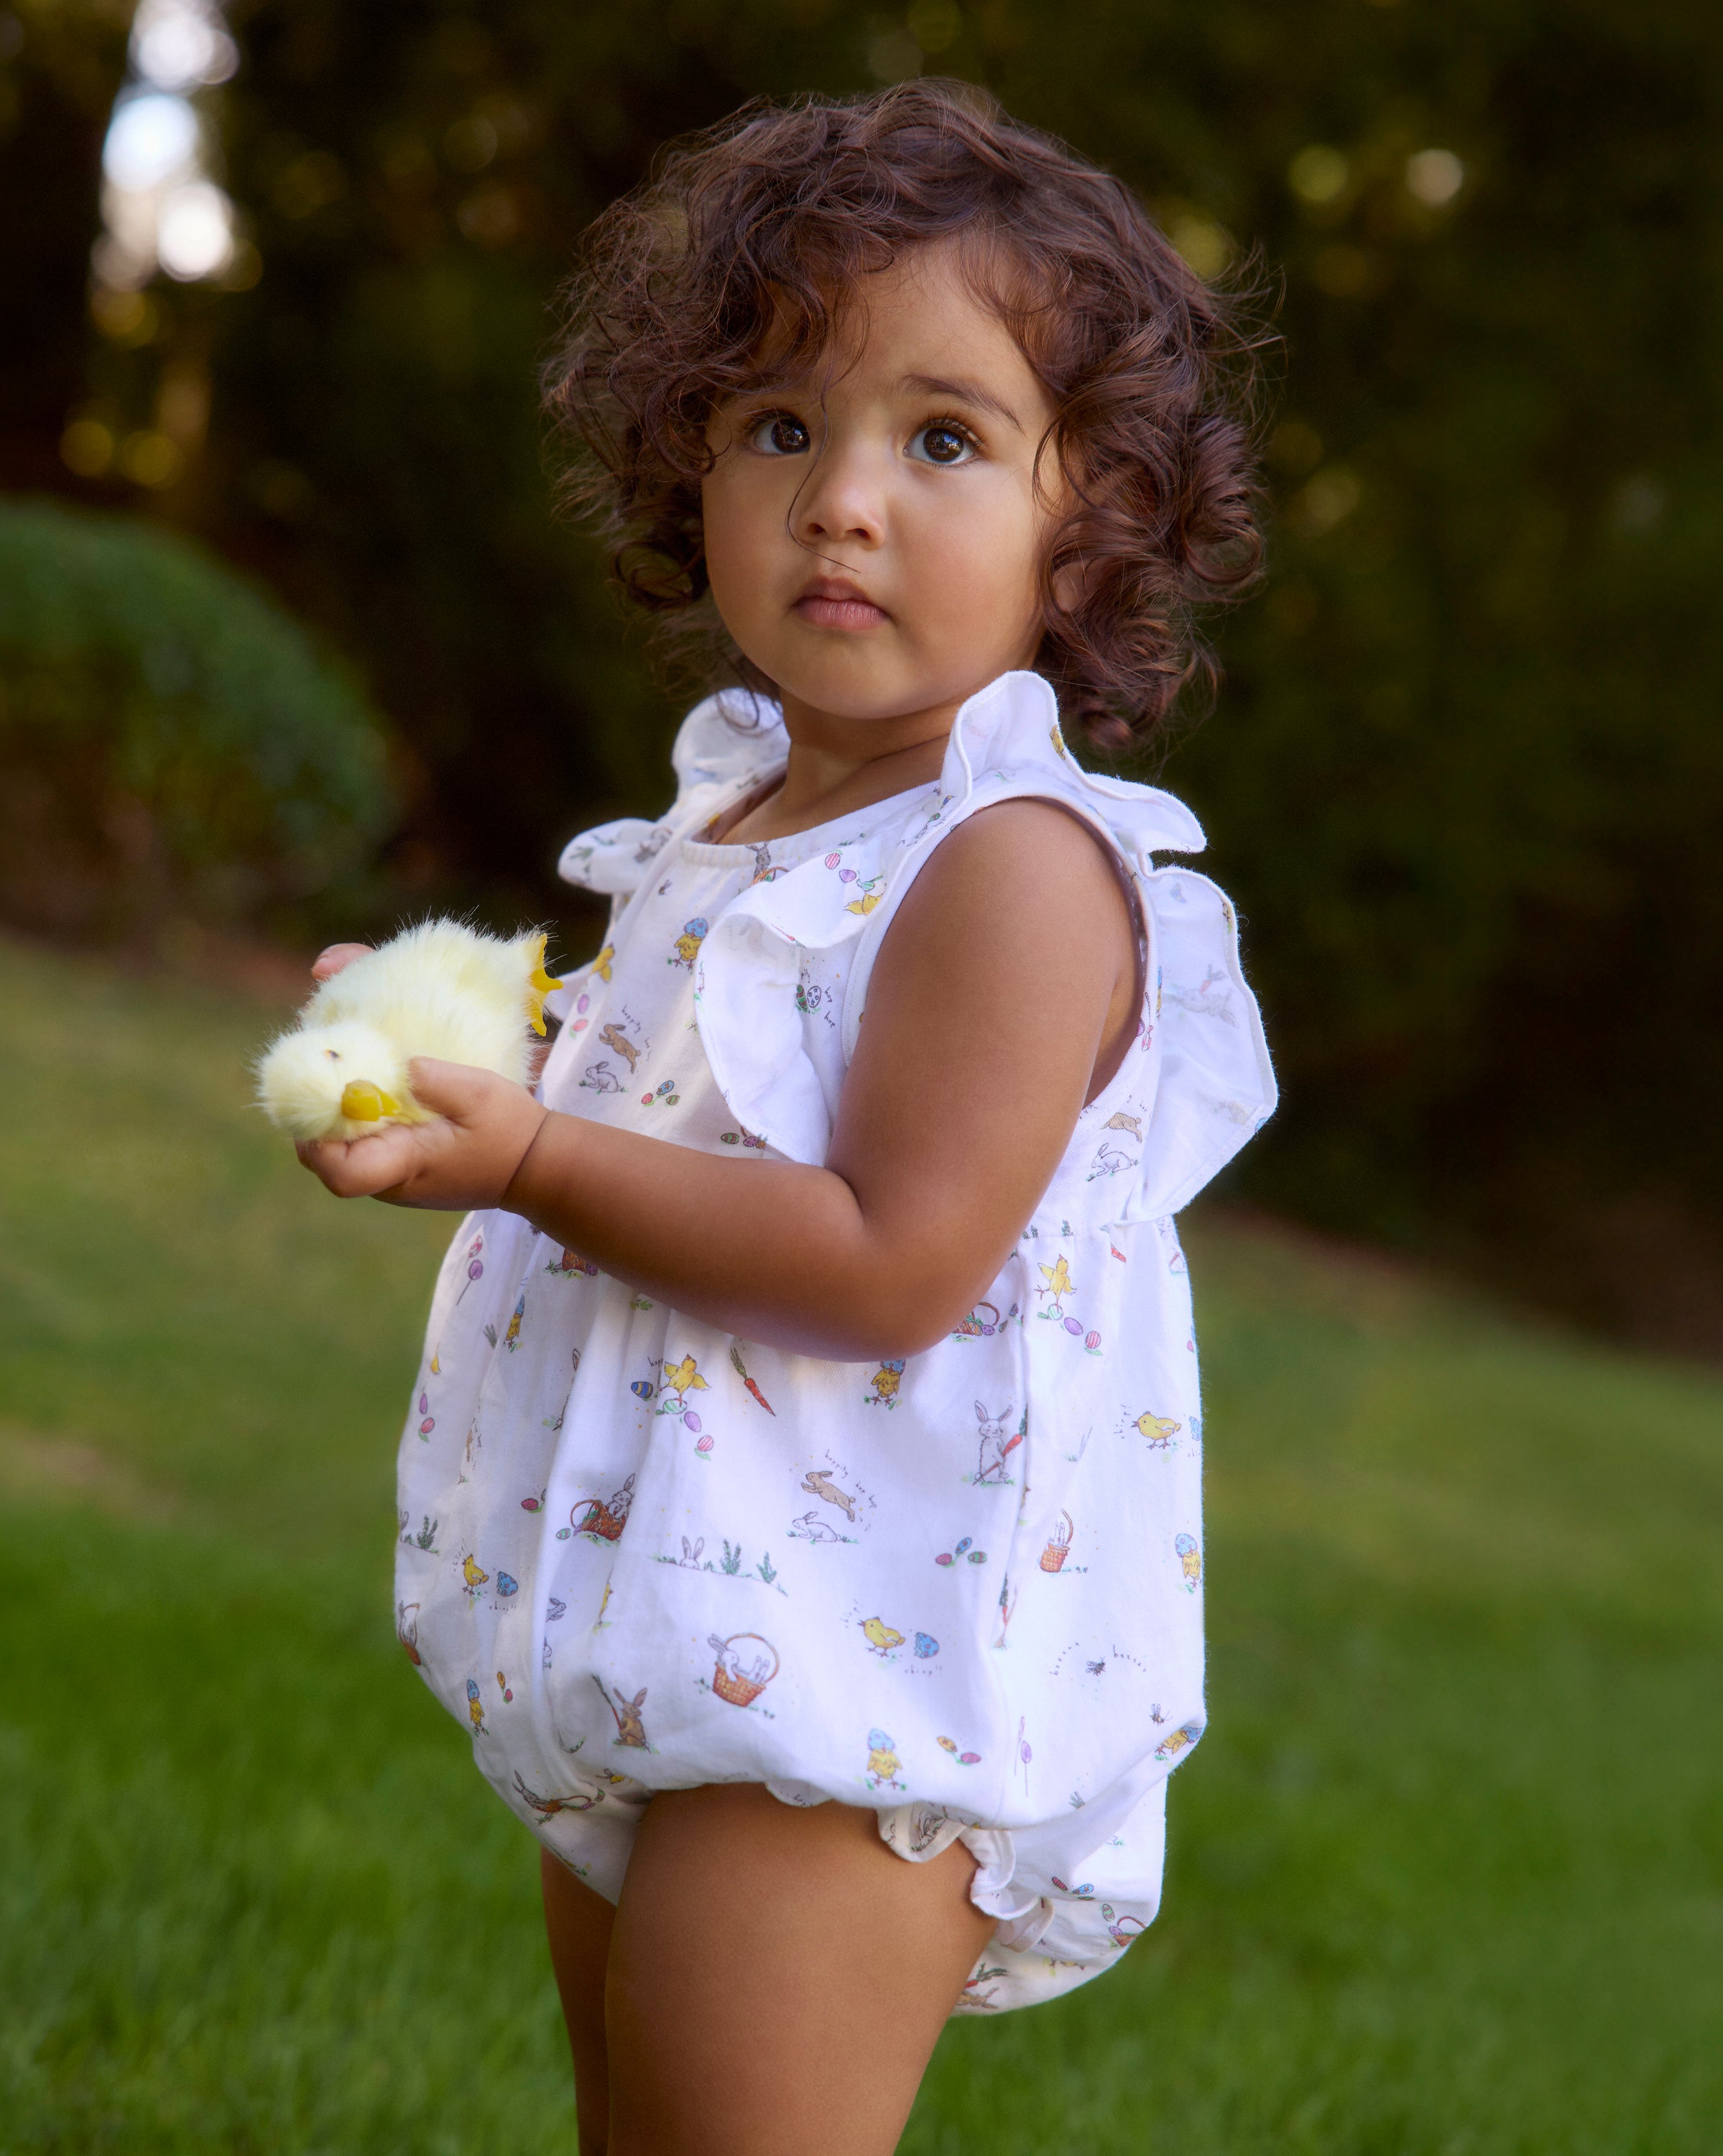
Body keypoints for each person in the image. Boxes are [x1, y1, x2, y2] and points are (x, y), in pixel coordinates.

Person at [300, 80, 1275, 2156]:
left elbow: (891, 1260)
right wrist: (483, 1061)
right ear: (689, 468)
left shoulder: (1013, 865)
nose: (842, 500)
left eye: (945, 440)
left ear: (1091, 510)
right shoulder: (738, 815)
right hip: (661, 1611)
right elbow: (704, 1098)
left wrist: (532, 1161)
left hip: (851, 1674)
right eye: (775, 427)